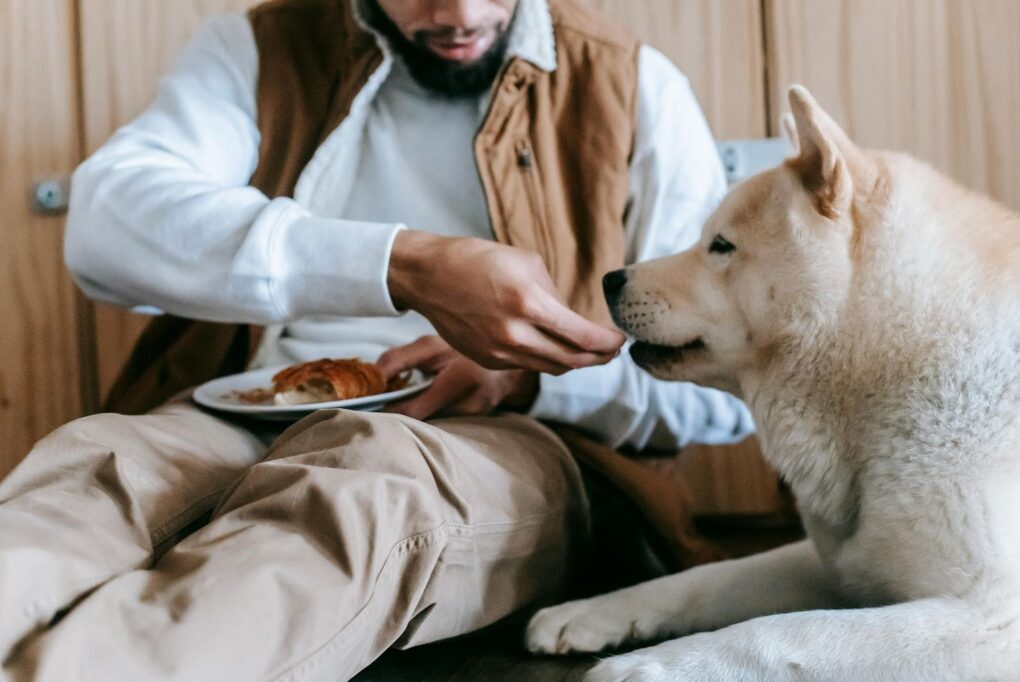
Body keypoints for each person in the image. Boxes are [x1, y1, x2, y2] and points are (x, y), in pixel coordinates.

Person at [0, 0, 753, 679]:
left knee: (366, 490)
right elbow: (105, 224)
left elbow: (729, 390)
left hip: (502, 435)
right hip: (251, 403)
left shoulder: (631, 85)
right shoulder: (259, 49)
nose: (457, 12)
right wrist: (401, 265)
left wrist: (527, 377)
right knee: (97, 468)